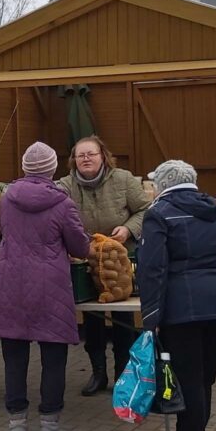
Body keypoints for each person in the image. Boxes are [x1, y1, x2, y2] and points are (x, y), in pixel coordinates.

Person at [0, 141, 91, 431]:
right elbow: (79, 248)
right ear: (52, 169)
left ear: (24, 167)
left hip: (10, 284)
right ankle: (49, 428)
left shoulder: (6, 200)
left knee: (14, 358)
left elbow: (7, 232)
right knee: (54, 358)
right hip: (51, 288)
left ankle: (17, 427)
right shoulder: (62, 203)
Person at [137, 160, 216, 431]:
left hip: (181, 306)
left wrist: (150, 316)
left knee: (187, 378)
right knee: (204, 376)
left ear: (163, 184)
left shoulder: (159, 214)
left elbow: (152, 269)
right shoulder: (214, 210)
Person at [56, 135, 150, 396]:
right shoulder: (64, 186)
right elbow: (57, 216)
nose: (86, 158)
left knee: (122, 318)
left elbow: (146, 210)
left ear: (103, 157)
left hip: (120, 260)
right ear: (73, 160)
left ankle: (123, 375)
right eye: (80, 155)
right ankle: (98, 373)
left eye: (91, 154)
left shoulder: (123, 180)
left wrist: (129, 229)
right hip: (85, 261)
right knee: (92, 319)